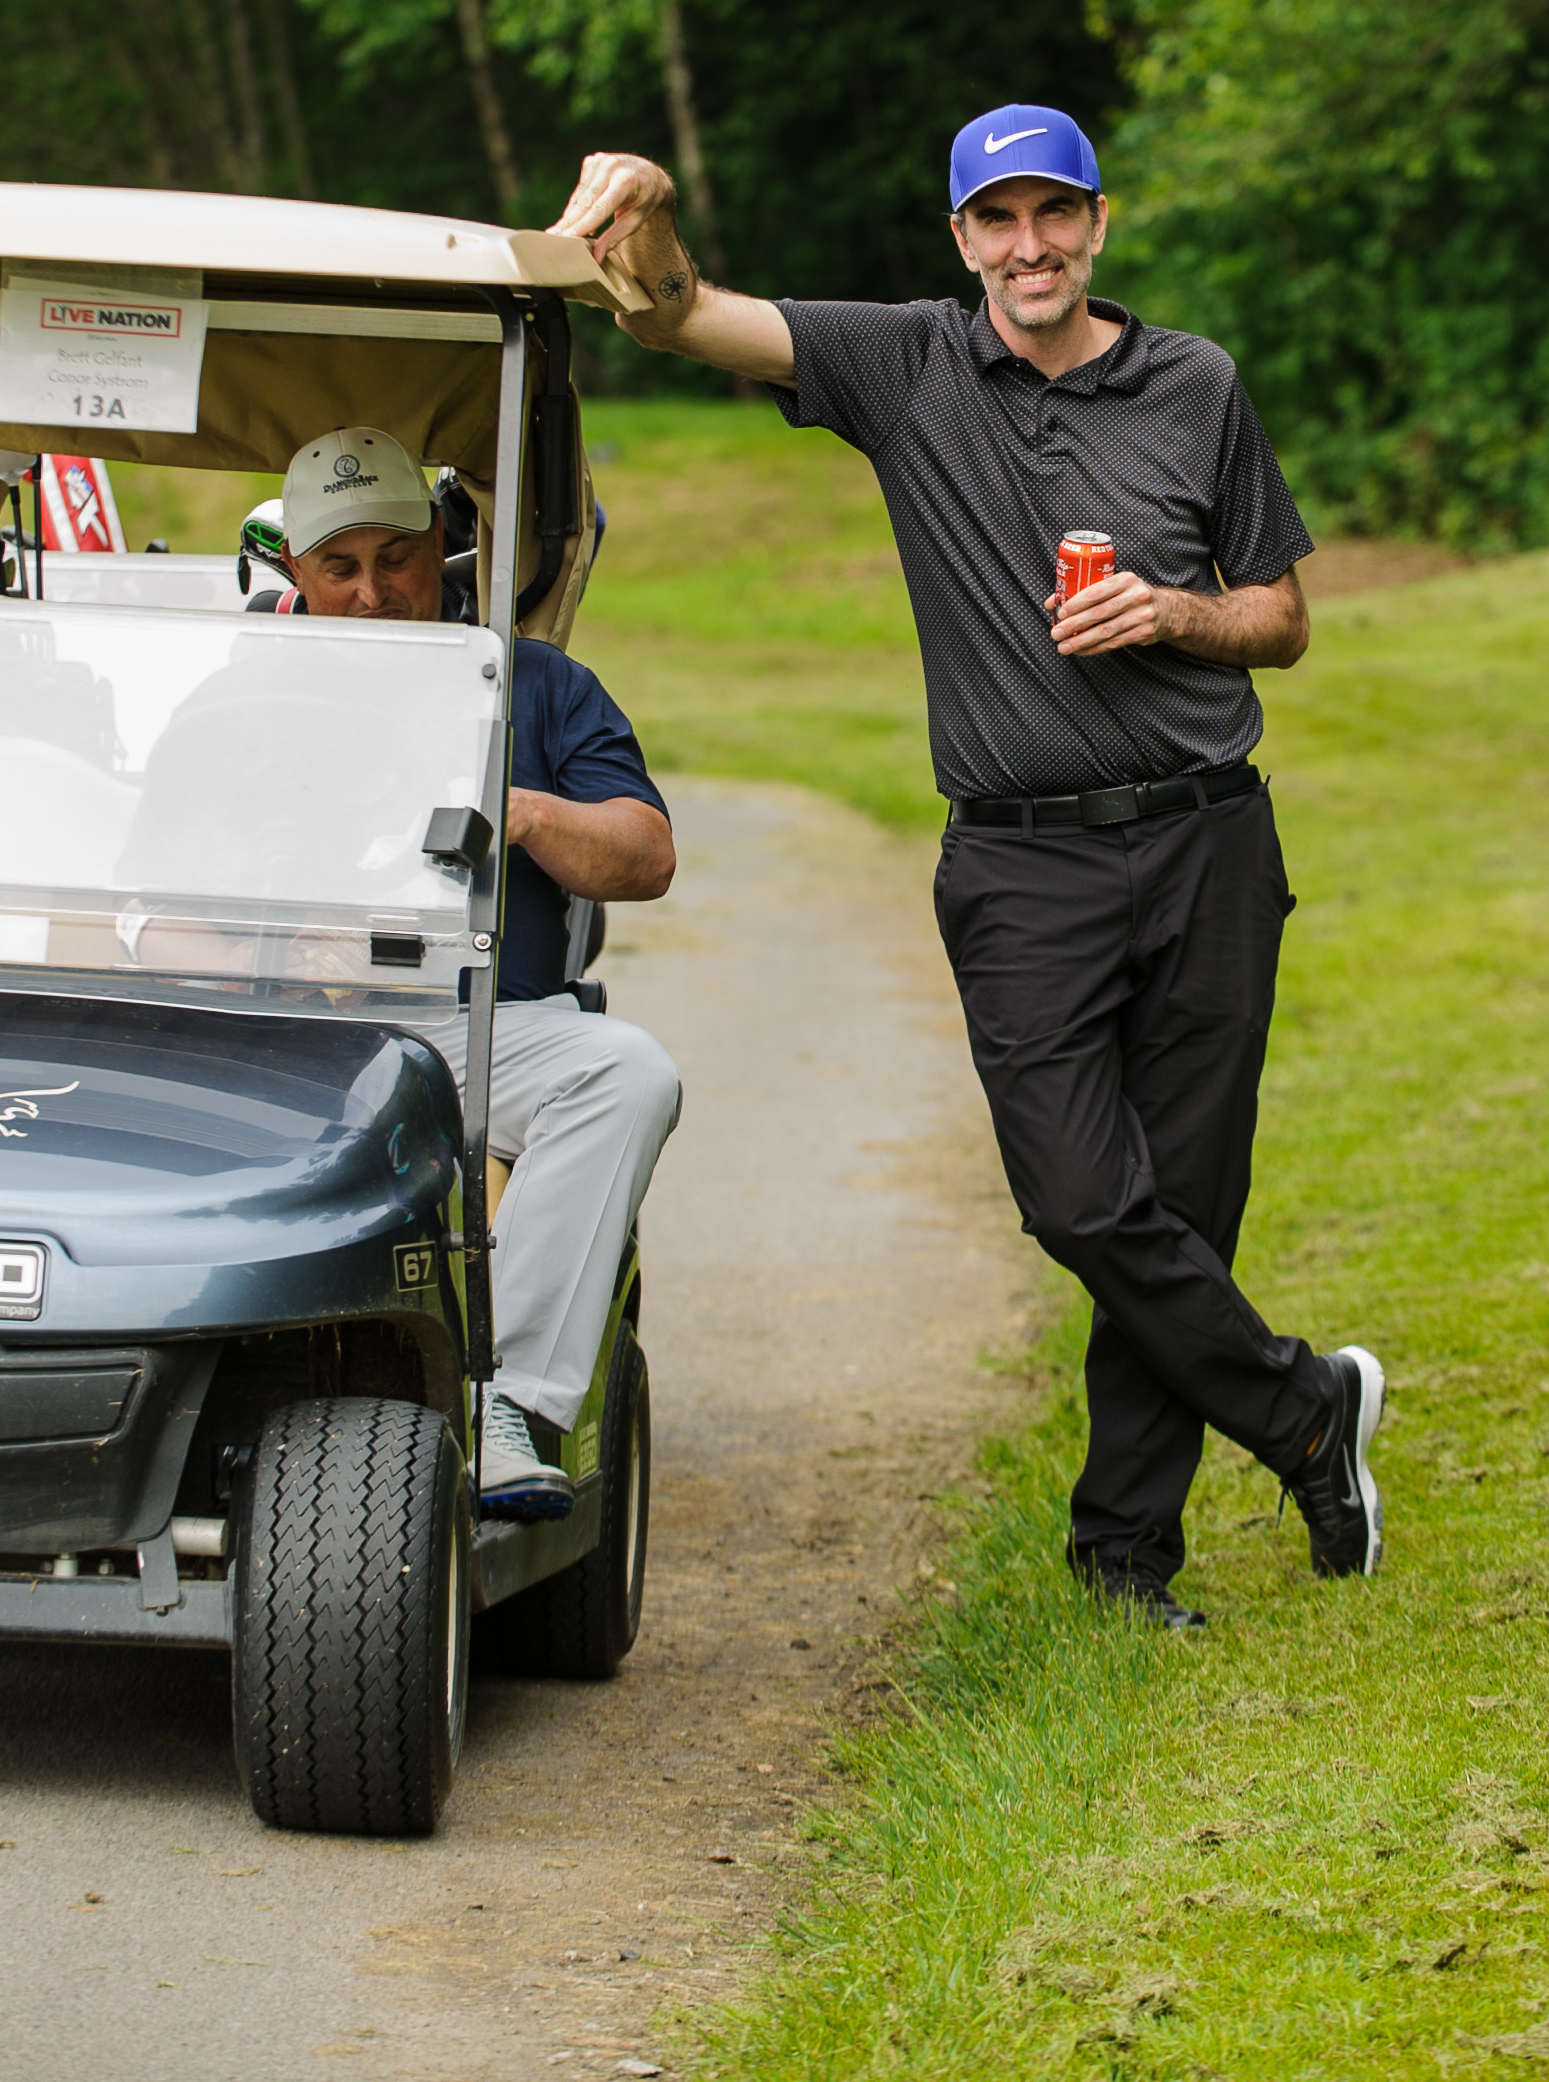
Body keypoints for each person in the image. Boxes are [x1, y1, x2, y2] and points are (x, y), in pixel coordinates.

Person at [549, 109, 1383, 1628]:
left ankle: (1125, 1559)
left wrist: (1171, 612)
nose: (1028, 246)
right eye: (996, 219)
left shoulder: (1195, 382)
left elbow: (1280, 616)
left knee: (1182, 1210)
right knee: (1079, 1200)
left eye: (1053, 213)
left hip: (1207, 836)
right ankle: (1302, 1411)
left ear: (1098, 223)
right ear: (960, 240)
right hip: (1020, 864)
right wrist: (649, 208)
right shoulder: (908, 366)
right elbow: (676, 314)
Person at [280, 425, 683, 1522]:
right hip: (290, 1032)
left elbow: (647, 855)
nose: (372, 593)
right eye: (340, 567)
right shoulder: (246, 694)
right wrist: (268, 949)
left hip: (474, 1027)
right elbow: (148, 906)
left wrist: (526, 812)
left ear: (439, 548)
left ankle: (505, 1402)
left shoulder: (534, 685)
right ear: (297, 573)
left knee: (628, 1071)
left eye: (395, 558)